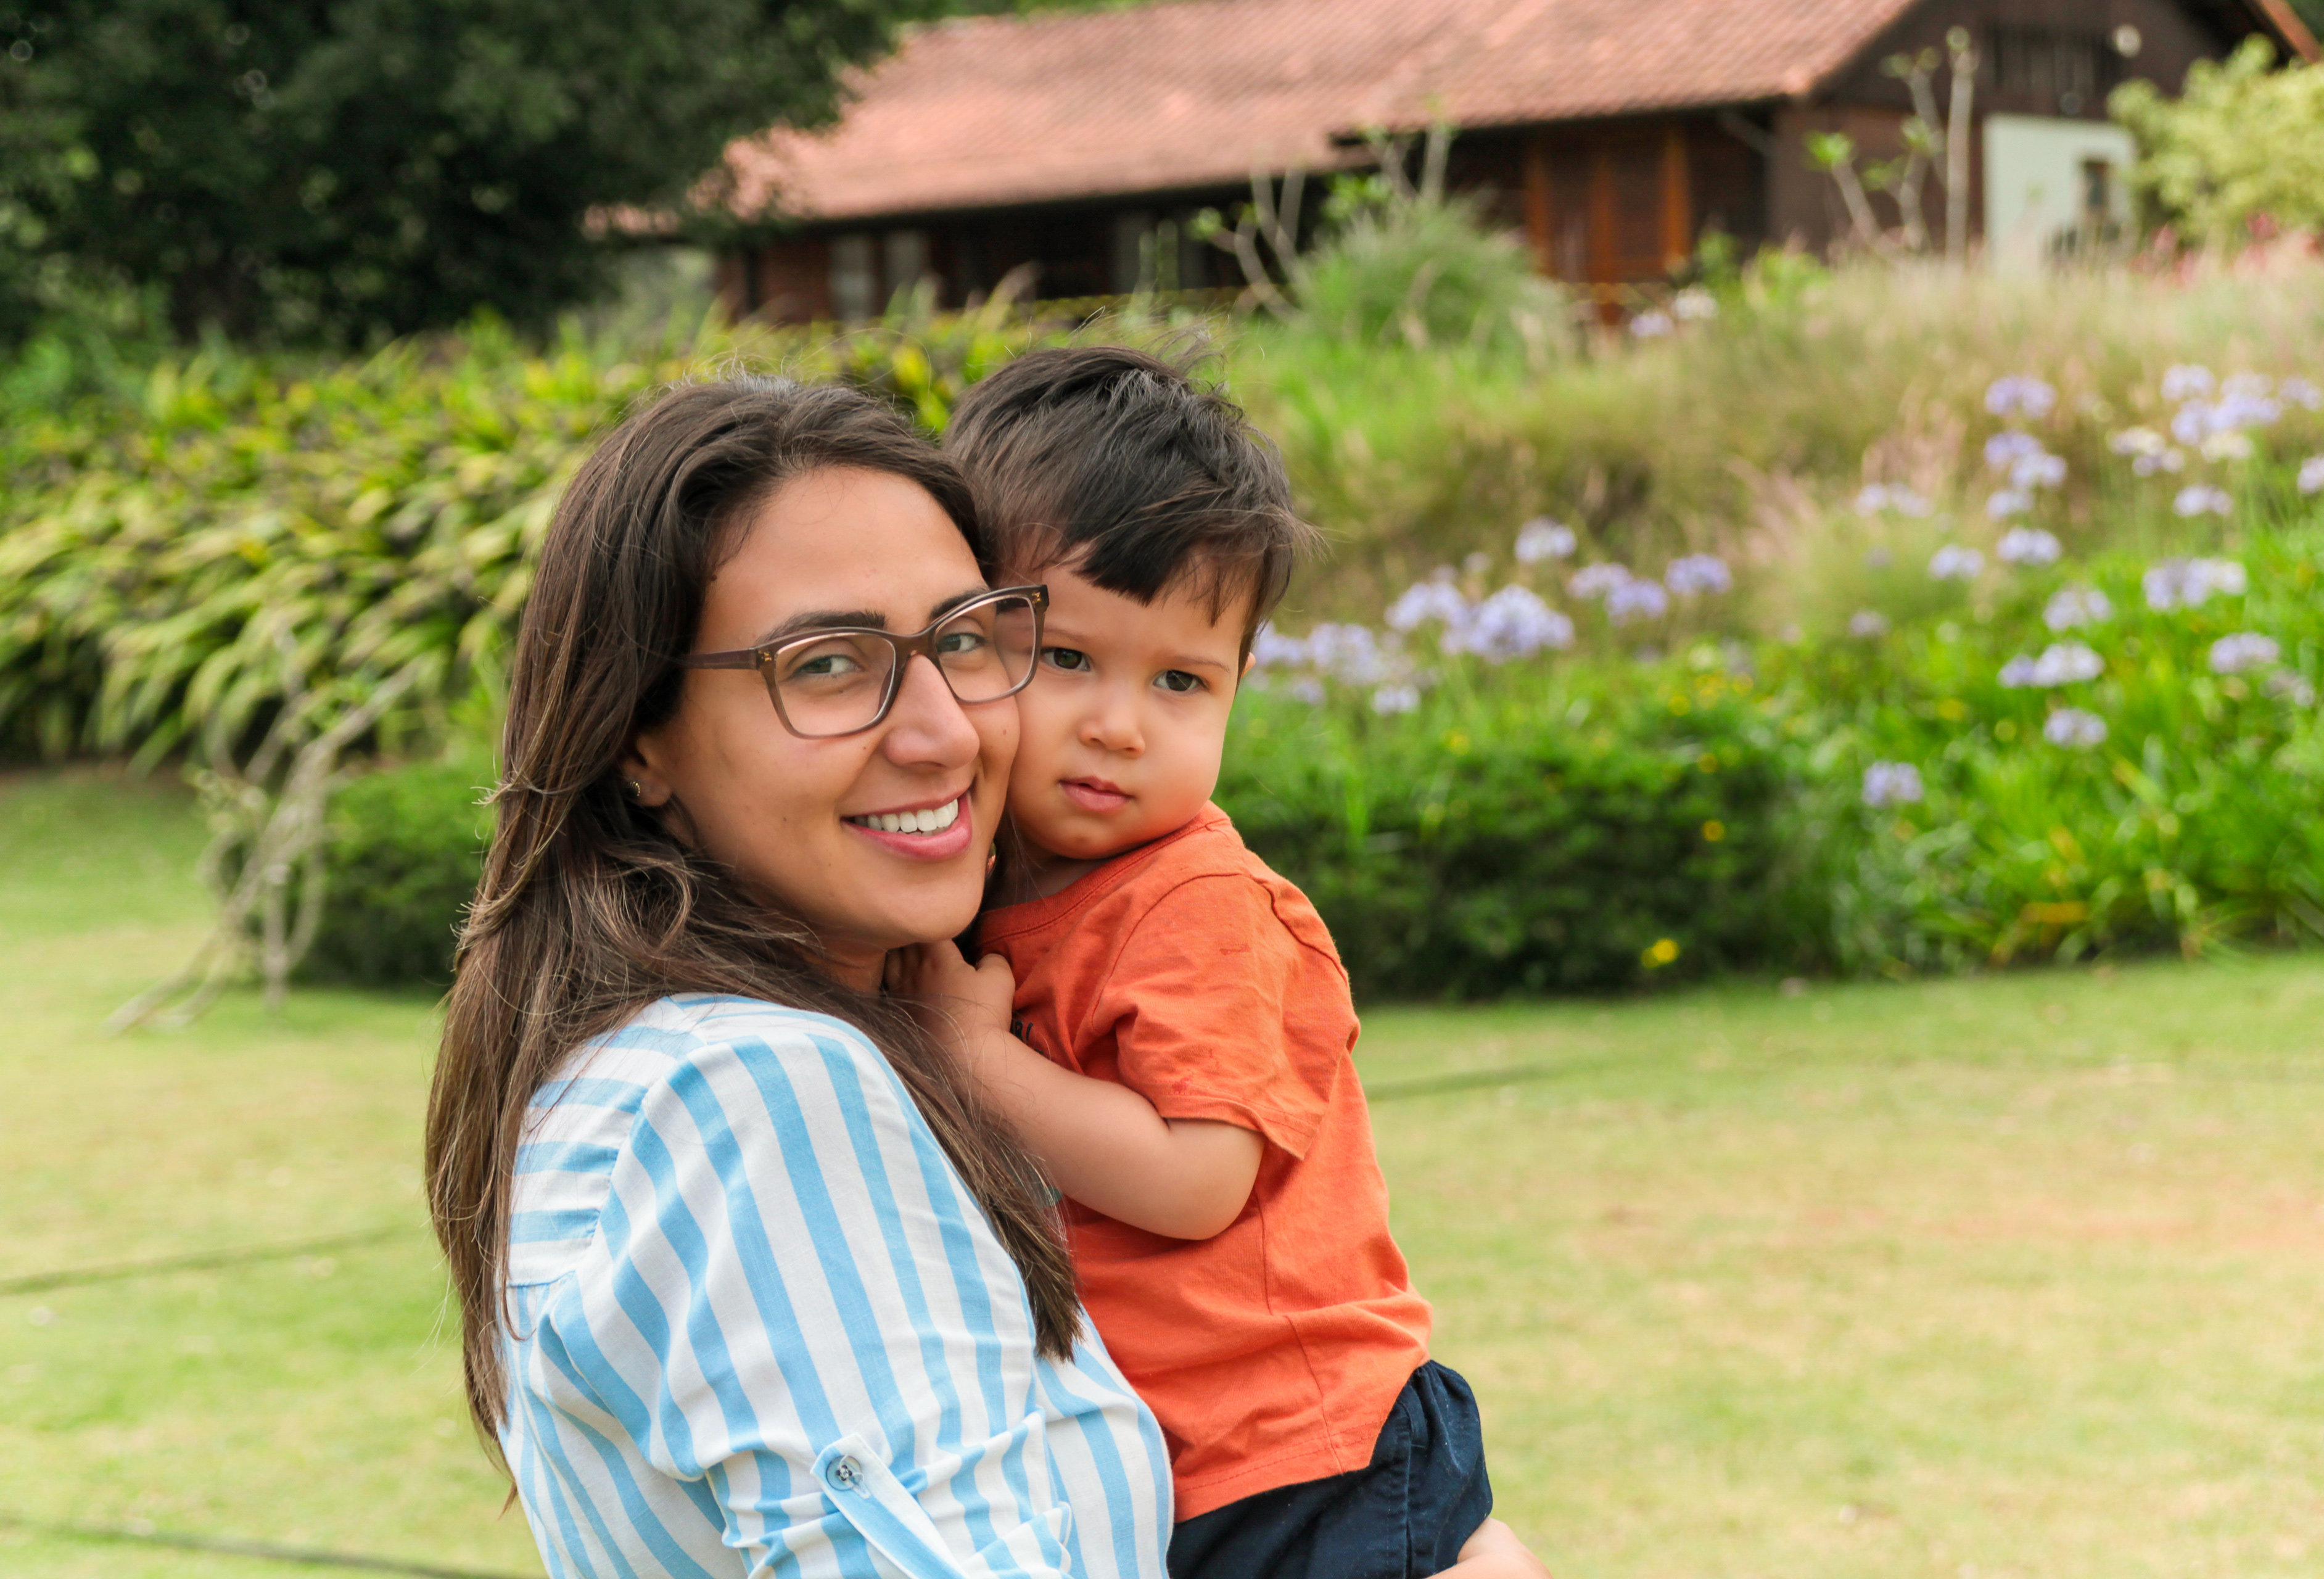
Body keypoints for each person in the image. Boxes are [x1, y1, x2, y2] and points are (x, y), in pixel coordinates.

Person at [424, 377, 1171, 1579]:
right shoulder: (754, 1092)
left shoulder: (630, 1066)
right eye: (828, 663)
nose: (944, 730)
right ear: (638, 735)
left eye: (966, 639)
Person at [897, 346, 1546, 1579]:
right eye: (1071, 657)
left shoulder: (1196, 903)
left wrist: (976, 1058)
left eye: (1181, 680)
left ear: (1241, 686)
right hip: (1170, 1462)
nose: (1118, 723)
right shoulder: (973, 893)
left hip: (1300, 1455)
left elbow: (1198, 1176)